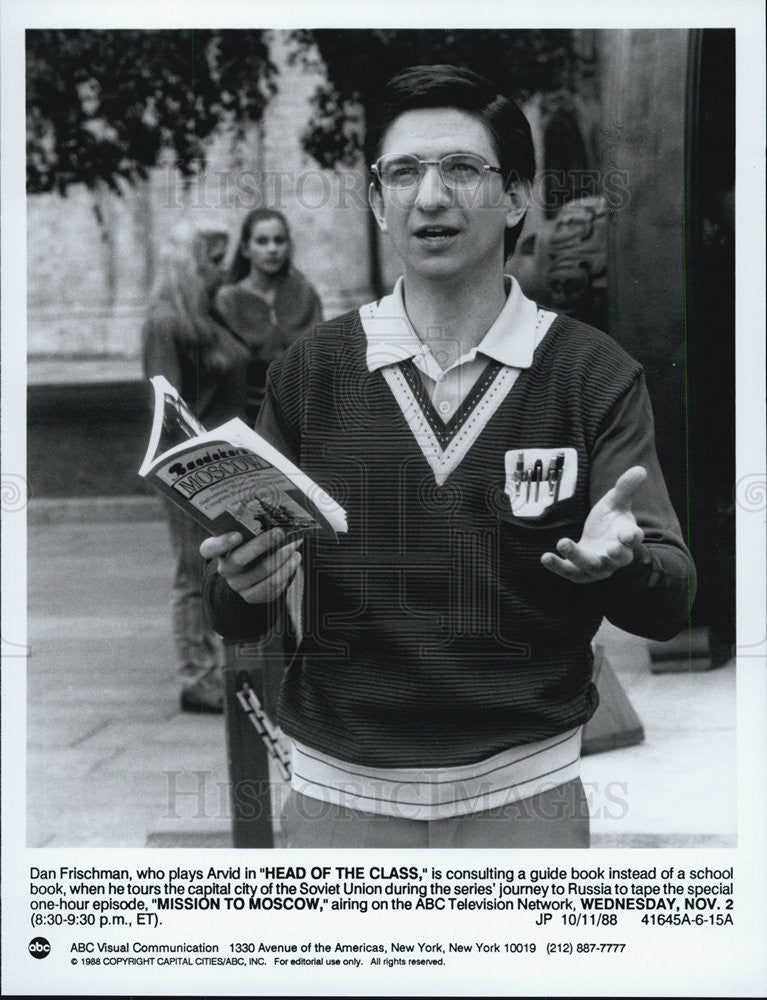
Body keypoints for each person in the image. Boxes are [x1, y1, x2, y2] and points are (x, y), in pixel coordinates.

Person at [202, 65, 696, 847]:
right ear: (374, 198)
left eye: (462, 168)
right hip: (338, 794)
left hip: (526, 794)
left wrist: (624, 565)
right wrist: (241, 582)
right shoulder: (310, 372)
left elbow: (670, 603)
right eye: (403, 172)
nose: (429, 196)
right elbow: (237, 613)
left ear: (514, 196)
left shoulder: (589, 373)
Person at [142, 225, 250, 714]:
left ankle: (216, 667)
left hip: (226, 463)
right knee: (192, 570)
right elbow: (166, 403)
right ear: (188, 263)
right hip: (192, 467)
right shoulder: (167, 322)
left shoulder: (208, 314)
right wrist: (184, 470)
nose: (221, 269)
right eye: (212, 259)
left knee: (217, 566)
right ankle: (196, 675)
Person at [215, 209, 323, 424]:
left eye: (279, 240)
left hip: (306, 412)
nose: (272, 249)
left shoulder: (304, 292)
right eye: (262, 242)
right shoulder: (229, 300)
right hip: (249, 416)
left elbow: (322, 353)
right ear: (246, 249)